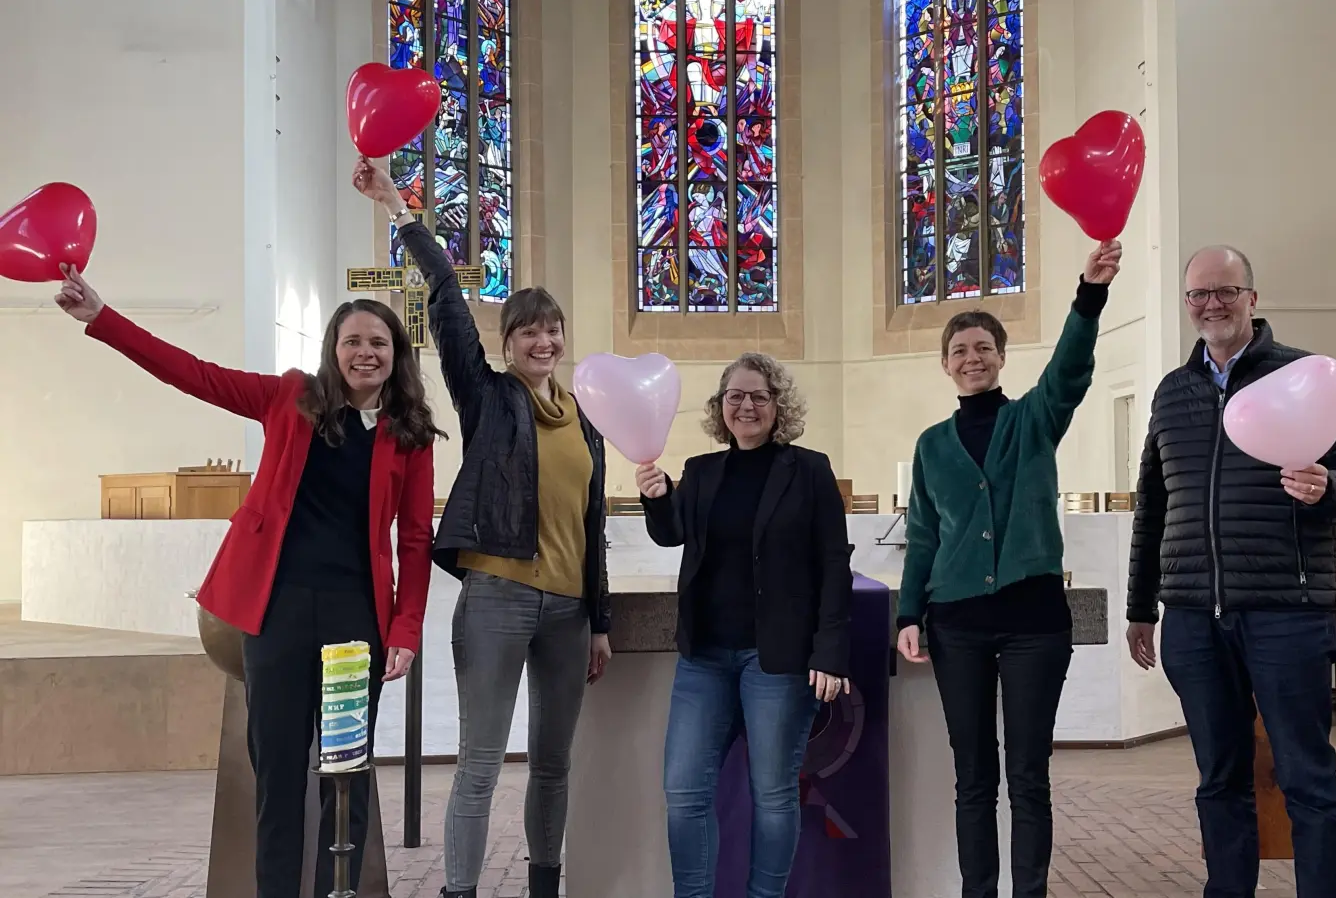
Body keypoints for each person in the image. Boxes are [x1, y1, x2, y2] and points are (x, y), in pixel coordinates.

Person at [53, 265, 439, 898]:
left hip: (354, 622)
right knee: (278, 777)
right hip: (277, 614)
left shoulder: (410, 437)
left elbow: (416, 540)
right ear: (332, 351)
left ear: (395, 356)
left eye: (379, 343)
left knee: (346, 776)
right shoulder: (290, 398)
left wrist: (405, 627)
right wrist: (102, 318)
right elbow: (195, 375)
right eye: (353, 341)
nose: (365, 353)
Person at [350, 157, 612, 898]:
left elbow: (590, 526)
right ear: (509, 343)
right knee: (480, 763)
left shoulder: (587, 419)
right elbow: (447, 303)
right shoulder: (489, 398)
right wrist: (400, 208)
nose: (543, 341)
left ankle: (542, 886)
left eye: (553, 330)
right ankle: (459, 891)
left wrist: (599, 620)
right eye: (529, 331)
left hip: (568, 613)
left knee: (555, 764)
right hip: (497, 599)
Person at [1125, 245, 1336, 898]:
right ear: (1187, 305)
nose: (1211, 304)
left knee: (1306, 776)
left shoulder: (1303, 379)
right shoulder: (1173, 391)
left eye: (1225, 291)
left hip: (1285, 612)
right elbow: (1152, 504)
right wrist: (1140, 607)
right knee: (1219, 779)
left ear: (1252, 297)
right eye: (1198, 295)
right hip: (1192, 615)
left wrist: (1329, 486)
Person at [895, 241, 1123, 898]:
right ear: (945, 365)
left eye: (983, 348)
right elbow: (923, 535)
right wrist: (911, 614)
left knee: (1028, 774)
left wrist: (1089, 294)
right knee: (972, 776)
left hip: (1033, 622)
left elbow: (1071, 369)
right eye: (960, 350)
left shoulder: (1033, 419)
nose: (972, 358)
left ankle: (1030, 892)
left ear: (1000, 358)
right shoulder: (932, 446)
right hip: (956, 625)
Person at [634, 353, 852, 898]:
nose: (746, 406)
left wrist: (829, 651)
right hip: (704, 655)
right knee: (684, 792)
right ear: (720, 407)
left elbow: (832, 563)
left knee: (774, 795)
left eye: (758, 396)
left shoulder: (810, 469)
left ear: (778, 405)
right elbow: (670, 534)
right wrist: (657, 496)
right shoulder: (703, 471)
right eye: (735, 396)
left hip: (777, 656)